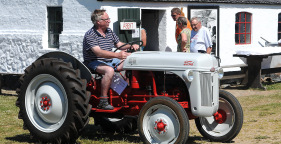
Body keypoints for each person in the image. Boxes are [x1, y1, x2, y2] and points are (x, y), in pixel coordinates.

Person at [83, 9, 139, 110]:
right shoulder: (90, 35)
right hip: (94, 61)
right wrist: (117, 55)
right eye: (107, 19)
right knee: (109, 70)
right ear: (99, 22)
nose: (109, 21)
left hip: (109, 60)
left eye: (109, 19)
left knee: (131, 62)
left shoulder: (109, 31)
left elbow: (119, 45)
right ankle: (103, 101)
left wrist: (130, 46)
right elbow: (98, 52)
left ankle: (130, 91)